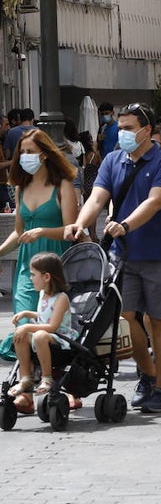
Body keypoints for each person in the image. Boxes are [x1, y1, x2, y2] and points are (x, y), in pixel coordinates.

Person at [64, 102, 161, 413]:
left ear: (147, 130)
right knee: (122, 317)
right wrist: (80, 222)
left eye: (129, 128)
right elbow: (97, 197)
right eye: (121, 128)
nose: (123, 133)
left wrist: (126, 224)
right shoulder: (113, 160)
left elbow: (156, 201)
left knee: (160, 319)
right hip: (122, 255)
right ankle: (147, 373)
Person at [0, 129, 78, 361]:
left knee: (49, 325)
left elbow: (70, 230)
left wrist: (42, 231)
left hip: (54, 263)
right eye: (21, 152)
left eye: (30, 152)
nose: (24, 156)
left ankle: (46, 373)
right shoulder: (20, 187)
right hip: (27, 265)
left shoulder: (62, 185)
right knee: (24, 323)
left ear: (44, 155)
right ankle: (27, 381)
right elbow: (19, 232)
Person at [6, 252, 79, 397]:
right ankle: (26, 377)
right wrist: (27, 314)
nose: (30, 278)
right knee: (20, 335)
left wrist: (27, 325)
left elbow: (53, 326)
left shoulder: (61, 298)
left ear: (46, 277)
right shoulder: (43, 294)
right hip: (46, 336)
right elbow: (44, 316)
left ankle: (47, 378)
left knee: (37, 335)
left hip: (61, 338)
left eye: (33, 274)